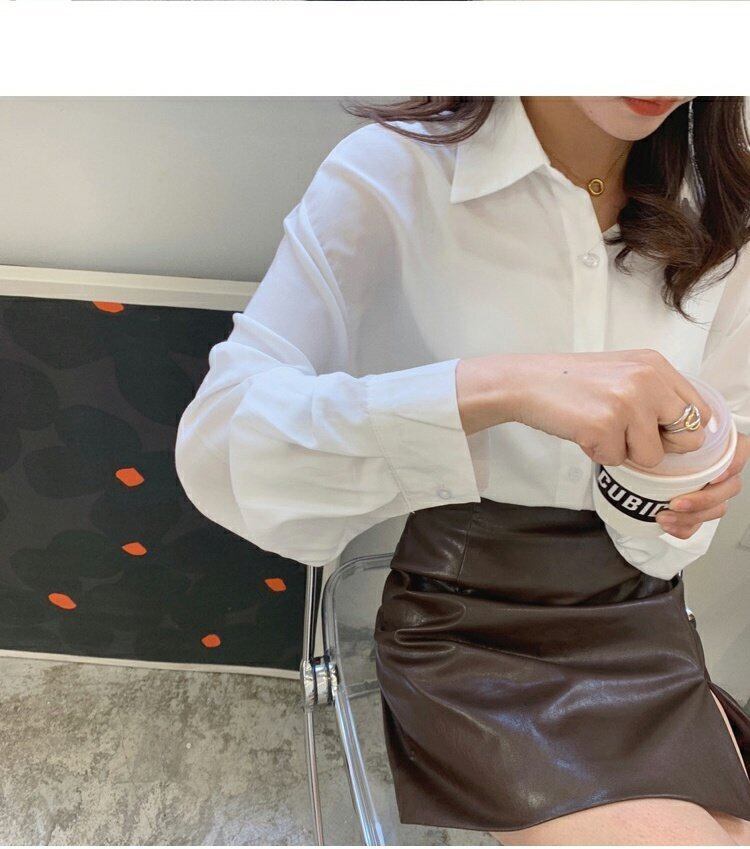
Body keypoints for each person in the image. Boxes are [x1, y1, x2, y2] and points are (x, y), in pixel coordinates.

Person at [175, 96, 750, 844]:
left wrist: (686, 480)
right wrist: (499, 385)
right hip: (469, 623)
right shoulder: (393, 175)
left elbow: (690, 494)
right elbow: (220, 446)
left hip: (641, 610)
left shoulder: (724, 201)